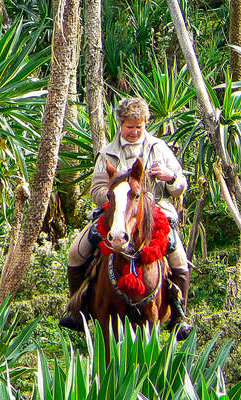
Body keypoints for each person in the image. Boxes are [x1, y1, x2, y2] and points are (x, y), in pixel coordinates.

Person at [59, 97, 192, 338]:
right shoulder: (108, 153)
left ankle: (180, 315)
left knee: (178, 256)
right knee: (76, 252)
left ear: (145, 124)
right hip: (116, 214)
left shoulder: (159, 148)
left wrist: (170, 177)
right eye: (129, 127)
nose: (134, 131)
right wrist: (117, 199)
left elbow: (181, 185)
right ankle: (76, 311)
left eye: (139, 126)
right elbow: (96, 189)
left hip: (156, 215)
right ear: (120, 124)